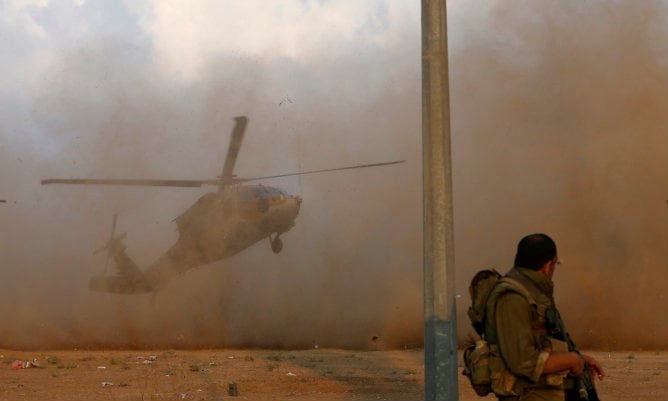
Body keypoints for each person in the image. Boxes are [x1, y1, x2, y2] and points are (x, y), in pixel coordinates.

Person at [485, 233, 605, 400]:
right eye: (555, 264)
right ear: (548, 265)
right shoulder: (512, 298)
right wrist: (571, 360)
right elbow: (522, 361)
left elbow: (542, 342)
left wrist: (580, 359)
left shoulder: (533, 292)